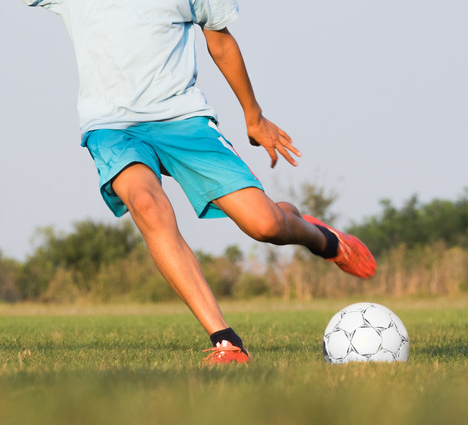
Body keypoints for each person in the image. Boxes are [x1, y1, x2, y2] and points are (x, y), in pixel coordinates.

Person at [23, 0, 376, 365]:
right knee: (147, 204)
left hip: (184, 120)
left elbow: (220, 42)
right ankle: (225, 340)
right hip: (111, 127)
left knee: (266, 224)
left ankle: (324, 239)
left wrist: (253, 117)